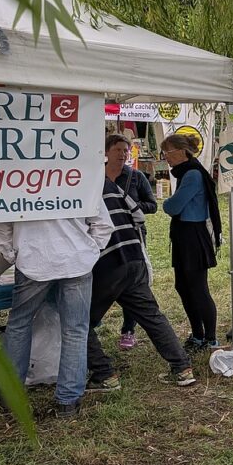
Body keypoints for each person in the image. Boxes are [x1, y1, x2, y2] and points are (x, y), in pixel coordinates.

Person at [0, 207, 114, 418]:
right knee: (75, 330)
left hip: (34, 259)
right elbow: (102, 222)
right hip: (75, 260)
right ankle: (69, 402)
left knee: (20, 325)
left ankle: (10, 394)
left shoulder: (15, 185)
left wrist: (11, 255)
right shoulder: (82, 183)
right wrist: (87, 248)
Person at [86, 176, 196, 390]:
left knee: (78, 322)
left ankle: (104, 374)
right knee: (152, 316)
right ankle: (182, 367)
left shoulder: (75, 186)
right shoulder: (109, 183)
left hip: (107, 263)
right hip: (133, 255)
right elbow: (138, 215)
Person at [161, 133, 222, 353]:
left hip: (193, 235)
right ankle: (197, 334)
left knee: (197, 288)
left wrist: (166, 203)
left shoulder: (193, 174)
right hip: (184, 234)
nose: (165, 157)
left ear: (181, 151)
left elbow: (173, 206)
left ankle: (210, 338)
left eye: (167, 152)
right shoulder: (186, 172)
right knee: (183, 286)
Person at [104, 134, 157, 351]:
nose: (123, 154)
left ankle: (128, 330)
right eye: (118, 150)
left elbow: (152, 205)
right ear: (106, 152)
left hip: (132, 235)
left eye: (125, 150)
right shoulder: (96, 175)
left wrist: (130, 206)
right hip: (102, 235)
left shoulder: (136, 177)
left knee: (131, 283)